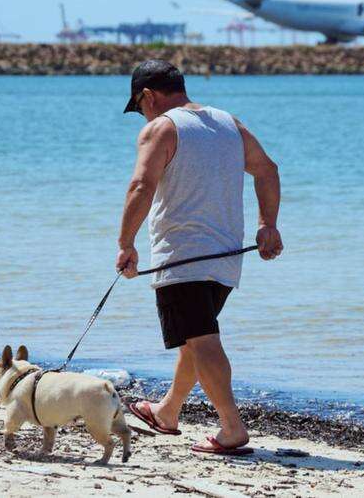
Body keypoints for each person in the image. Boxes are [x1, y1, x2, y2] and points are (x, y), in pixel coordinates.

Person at [115, 59, 283, 455]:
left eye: (140, 108)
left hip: (182, 255)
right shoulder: (229, 124)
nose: (143, 115)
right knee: (196, 337)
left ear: (148, 96)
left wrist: (125, 243)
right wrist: (267, 225)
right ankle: (167, 411)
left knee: (203, 340)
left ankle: (232, 428)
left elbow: (141, 184)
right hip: (226, 258)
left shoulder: (161, 128)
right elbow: (267, 170)